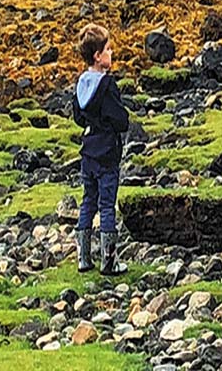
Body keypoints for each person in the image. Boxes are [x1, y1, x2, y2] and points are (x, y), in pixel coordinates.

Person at [73, 22, 130, 274]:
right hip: (107, 151)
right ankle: (109, 261)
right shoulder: (107, 85)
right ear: (98, 56)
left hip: (88, 150)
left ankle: (83, 258)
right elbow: (120, 119)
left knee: (88, 201)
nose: (111, 54)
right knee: (107, 205)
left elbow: (77, 116)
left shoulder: (81, 83)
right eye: (108, 49)